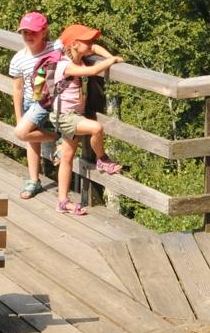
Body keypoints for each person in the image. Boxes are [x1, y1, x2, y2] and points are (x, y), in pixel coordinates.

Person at [49, 27, 124, 216]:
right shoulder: (65, 65)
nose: (91, 44)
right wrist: (111, 61)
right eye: (87, 41)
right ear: (74, 44)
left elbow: (97, 48)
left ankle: (62, 201)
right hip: (66, 116)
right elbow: (92, 70)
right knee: (96, 128)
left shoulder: (77, 56)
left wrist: (110, 55)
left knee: (67, 157)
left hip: (73, 115)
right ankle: (102, 159)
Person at [8, 11, 61, 199]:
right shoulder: (18, 59)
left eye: (33, 32)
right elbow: (17, 89)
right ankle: (34, 179)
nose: (29, 36)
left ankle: (57, 139)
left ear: (44, 32)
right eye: (25, 33)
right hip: (32, 101)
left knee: (23, 133)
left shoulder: (56, 47)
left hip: (52, 100)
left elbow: (76, 39)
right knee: (27, 135)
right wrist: (18, 117)